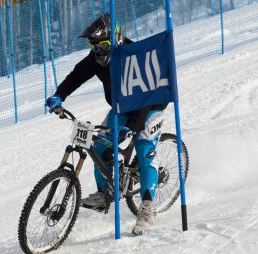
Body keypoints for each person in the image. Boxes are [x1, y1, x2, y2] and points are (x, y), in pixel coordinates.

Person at [46, 13, 168, 235]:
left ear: (116, 40)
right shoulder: (96, 58)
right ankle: (104, 193)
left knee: (143, 146)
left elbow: (145, 96)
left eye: (102, 46)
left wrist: (131, 127)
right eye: (93, 47)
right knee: (100, 144)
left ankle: (148, 207)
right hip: (122, 106)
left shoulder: (135, 56)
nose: (97, 52)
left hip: (150, 106)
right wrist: (59, 96)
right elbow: (76, 76)